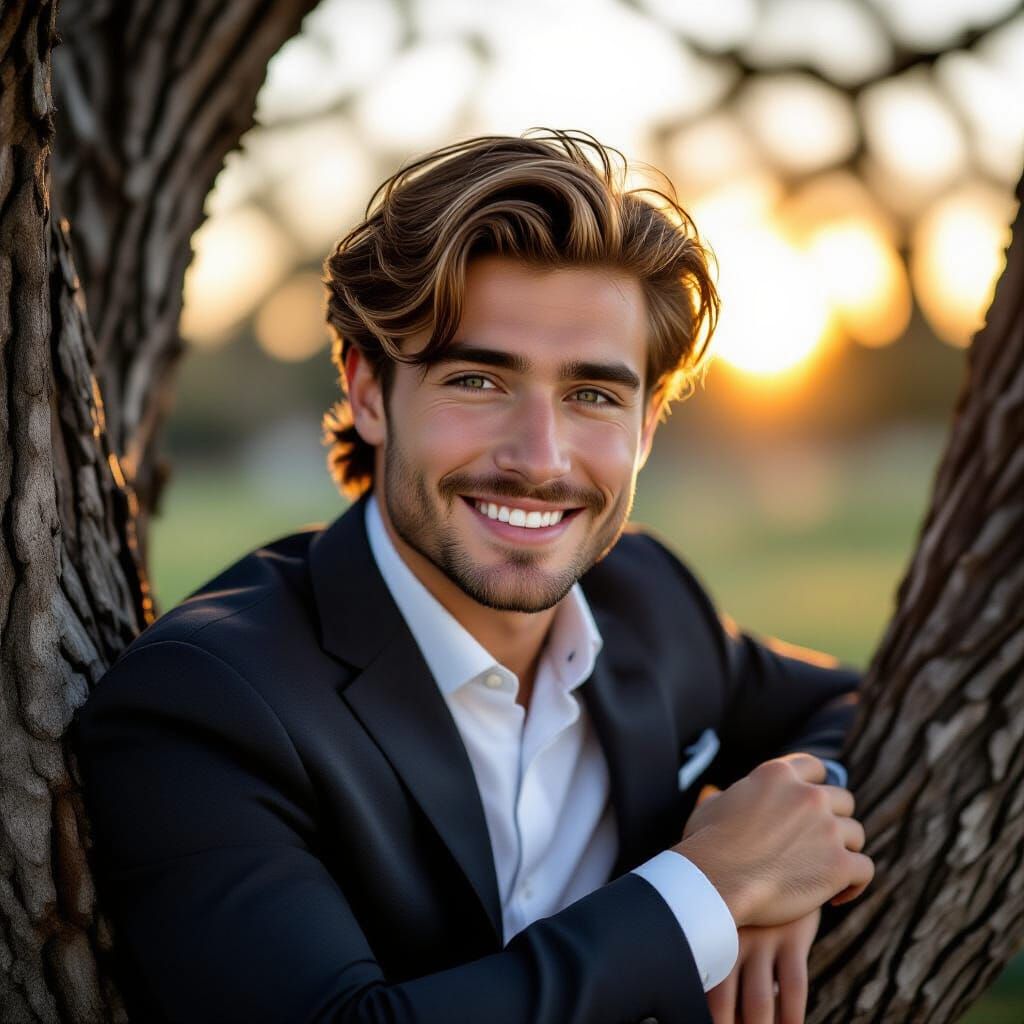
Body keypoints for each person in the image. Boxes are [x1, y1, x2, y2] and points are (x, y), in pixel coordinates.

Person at [73, 130, 873, 1024]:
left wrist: (783, 846)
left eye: (594, 395)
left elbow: (845, 706)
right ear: (369, 391)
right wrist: (707, 897)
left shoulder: (648, 596)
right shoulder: (208, 702)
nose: (539, 458)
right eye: (479, 381)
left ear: (647, 425)